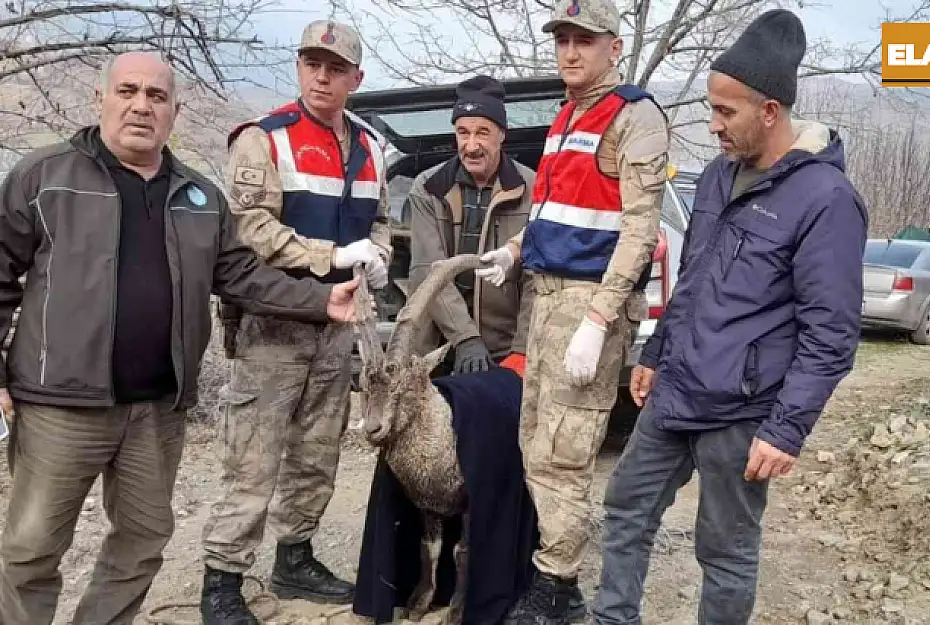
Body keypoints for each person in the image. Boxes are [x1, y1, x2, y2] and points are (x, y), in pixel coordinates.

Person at [0, 51, 363, 625]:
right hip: (60, 405)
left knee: (140, 546)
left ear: (175, 111)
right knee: (32, 550)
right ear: (101, 99)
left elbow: (241, 275)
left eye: (157, 96)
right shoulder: (44, 178)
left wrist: (322, 300)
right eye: (128, 91)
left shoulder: (198, 197)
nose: (141, 106)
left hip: (156, 411)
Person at [590, 9, 869, 625]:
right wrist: (657, 353)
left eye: (726, 112)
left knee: (725, 552)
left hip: (743, 413)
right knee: (625, 508)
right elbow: (694, 279)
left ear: (769, 111)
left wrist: (786, 429)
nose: (713, 125)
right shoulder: (719, 177)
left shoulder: (826, 200)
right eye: (711, 109)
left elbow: (832, 335)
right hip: (677, 392)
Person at [474, 0, 671, 621]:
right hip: (544, 298)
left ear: (613, 47)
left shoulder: (634, 118)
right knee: (535, 441)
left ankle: (557, 587)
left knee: (564, 450)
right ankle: (550, 569)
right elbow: (550, 214)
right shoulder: (565, 116)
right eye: (562, 38)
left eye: (584, 39)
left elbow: (641, 233)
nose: (569, 51)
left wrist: (598, 320)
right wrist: (512, 251)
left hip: (587, 303)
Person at [198, 20, 391, 625]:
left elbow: (379, 217)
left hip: (338, 330)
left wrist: (377, 255)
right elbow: (251, 228)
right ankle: (222, 579)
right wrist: (328, 258)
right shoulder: (265, 139)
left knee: (317, 450)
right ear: (299, 67)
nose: (322, 76)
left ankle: (295, 554)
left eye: (335, 68)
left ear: (356, 78)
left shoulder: (368, 147)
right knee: (253, 457)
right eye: (312, 63)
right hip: (273, 323)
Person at [405, 75, 536, 377]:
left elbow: (535, 280)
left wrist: (522, 350)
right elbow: (428, 271)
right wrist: (466, 339)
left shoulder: (534, 187)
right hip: (438, 348)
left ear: (502, 133)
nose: (472, 145)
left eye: (482, 133)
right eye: (463, 133)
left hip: (506, 350)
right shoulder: (427, 188)